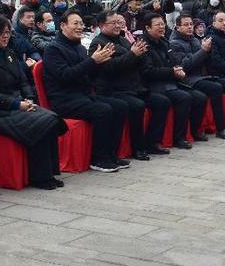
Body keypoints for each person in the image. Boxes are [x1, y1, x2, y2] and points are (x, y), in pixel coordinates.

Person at [0, 15, 67, 190]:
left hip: (18, 103)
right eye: (1, 33)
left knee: (51, 118)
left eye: (7, 33)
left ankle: (49, 172)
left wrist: (28, 98)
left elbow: (23, 81)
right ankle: (40, 177)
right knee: (42, 122)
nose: (5, 36)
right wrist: (16, 105)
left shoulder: (10, 54)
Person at [42, 11, 128, 172]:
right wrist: (92, 61)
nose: (80, 27)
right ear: (62, 26)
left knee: (120, 106)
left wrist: (98, 64)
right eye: (75, 23)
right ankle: (98, 159)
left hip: (84, 96)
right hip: (64, 100)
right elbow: (65, 76)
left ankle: (111, 154)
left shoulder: (80, 47)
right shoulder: (53, 49)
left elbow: (87, 75)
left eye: (81, 24)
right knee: (103, 110)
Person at [89, 10, 169, 159]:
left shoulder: (123, 40)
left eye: (119, 22)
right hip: (114, 89)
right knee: (137, 105)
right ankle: (137, 148)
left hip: (134, 87)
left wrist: (141, 54)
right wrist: (132, 54)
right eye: (113, 23)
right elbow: (110, 68)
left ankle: (152, 142)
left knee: (162, 102)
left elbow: (138, 63)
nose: (118, 26)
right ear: (101, 25)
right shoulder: (98, 43)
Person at [170, 12, 225, 140]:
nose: (190, 27)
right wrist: (203, 51)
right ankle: (220, 128)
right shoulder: (175, 43)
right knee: (216, 88)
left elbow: (210, 59)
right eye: (186, 25)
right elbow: (186, 65)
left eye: (191, 24)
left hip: (203, 76)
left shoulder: (195, 40)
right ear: (178, 27)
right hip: (187, 79)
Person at [139, 13, 197, 148]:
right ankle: (163, 141)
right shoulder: (142, 44)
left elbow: (173, 61)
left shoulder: (164, 41)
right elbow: (147, 72)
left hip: (169, 81)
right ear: (148, 28)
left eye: (163, 24)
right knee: (182, 98)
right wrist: (172, 72)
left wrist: (177, 68)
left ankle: (189, 134)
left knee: (197, 96)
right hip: (152, 85)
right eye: (158, 25)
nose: (162, 27)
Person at [10, 8, 42, 72]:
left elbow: (32, 50)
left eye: (33, 17)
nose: (32, 19)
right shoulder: (15, 35)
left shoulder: (31, 31)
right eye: (28, 17)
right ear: (20, 19)